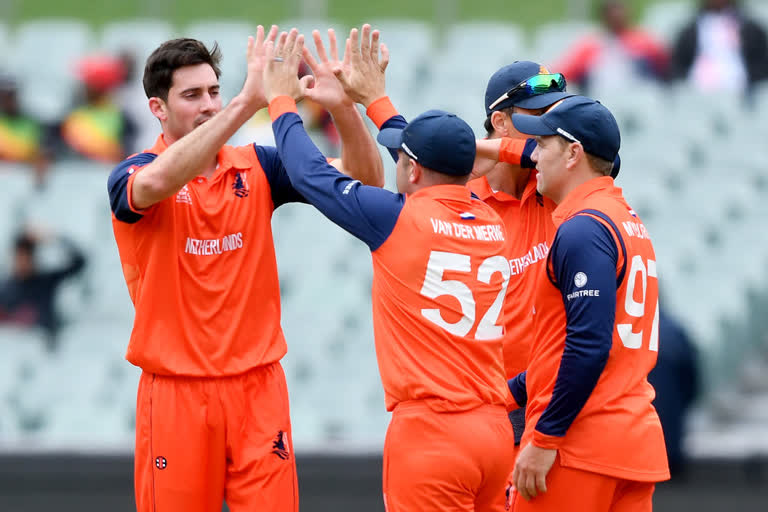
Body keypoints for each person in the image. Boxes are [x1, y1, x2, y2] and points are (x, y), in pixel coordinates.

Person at [107, 26, 384, 512]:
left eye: (214, 91)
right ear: (158, 108)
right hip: (177, 392)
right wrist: (247, 103)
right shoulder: (132, 172)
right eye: (192, 95)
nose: (210, 104)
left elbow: (366, 182)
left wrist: (343, 108)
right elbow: (160, 180)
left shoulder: (258, 166)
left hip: (258, 389)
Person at [263, 25, 516, 511]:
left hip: (432, 433)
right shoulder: (490, 218)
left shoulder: (396, 218)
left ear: (413, 169)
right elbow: (415, 149)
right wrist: (361, 102)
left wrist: (281, 102)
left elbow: (308, 174)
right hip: (494, 430)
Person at [506, 96, 669, 510]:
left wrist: (545, 438)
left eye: (543, 144)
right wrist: (504, 393)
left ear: (574, 153)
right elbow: (576, 346)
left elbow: (588, 346)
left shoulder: (584, 228)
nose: (534, 155)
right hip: (630, 443)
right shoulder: (626, 220)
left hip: (579, 447)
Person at [471, 61, 573, 452]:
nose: (554, 123)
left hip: (558, 397)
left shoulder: (557, 181)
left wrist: (502, 151)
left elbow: (602, 154)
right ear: (499, 121)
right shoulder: (460, 196)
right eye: (540, 114)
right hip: (495, 406)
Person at [0, 228, 86, 351]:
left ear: (33, 258)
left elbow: (80, 262)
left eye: (26, 257)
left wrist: (53, 238)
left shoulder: (46, 281)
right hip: (15, 349)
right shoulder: (4, 287)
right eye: (18, 257)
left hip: (47, 348)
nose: (21, 262)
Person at [555, 0, 669, 93]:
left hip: (640, 98)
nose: (617, 14)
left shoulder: (643, 40)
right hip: (600, 100)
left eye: (620, 9)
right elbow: (566, 72)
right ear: (603, 14)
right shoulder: (589, 45)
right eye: (612, 10)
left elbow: (666, 66)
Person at [672, 0, 768, 94]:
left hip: (743, 94)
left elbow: (762, 64)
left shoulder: (751, 29)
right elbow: (677, 66)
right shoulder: (690, 30)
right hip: (697, 94)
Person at [648, 306, 700, 479]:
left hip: (639, 445)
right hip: (672, 443)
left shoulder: (626, 332)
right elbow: (691, 381)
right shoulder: (676, 332)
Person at [0, 73, 51, 187]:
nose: (7, 99)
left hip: (24, 178)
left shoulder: (32, 124)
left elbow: (41, 154)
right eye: (4, 95)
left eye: (11, 95)